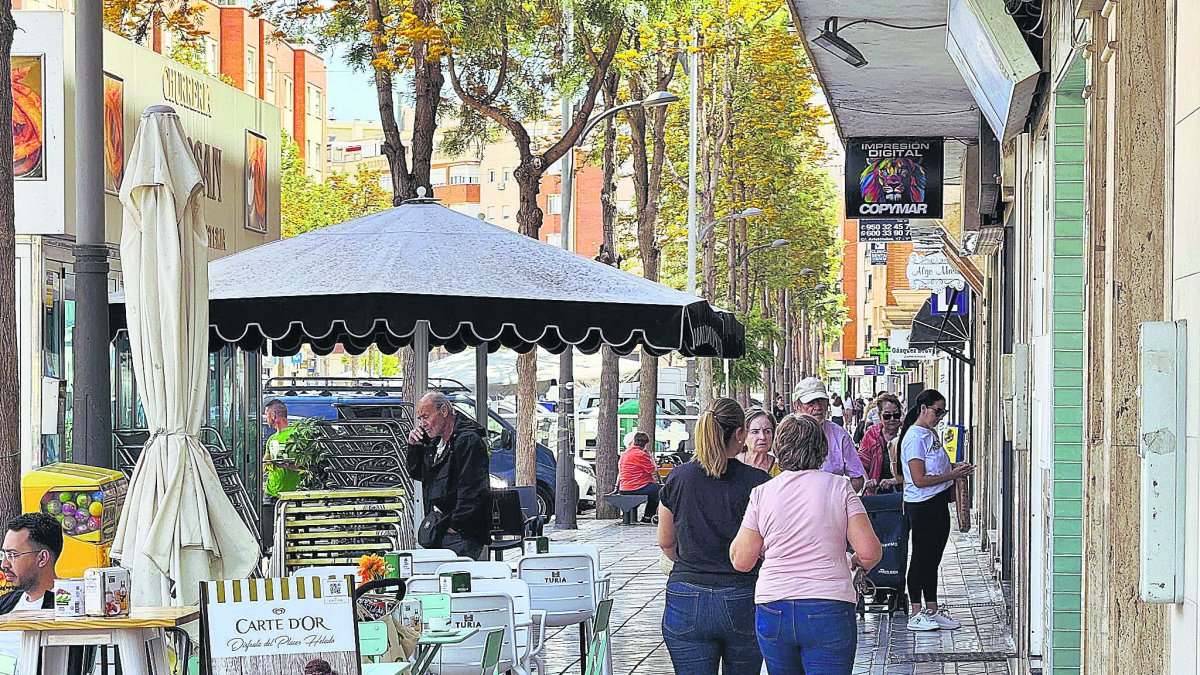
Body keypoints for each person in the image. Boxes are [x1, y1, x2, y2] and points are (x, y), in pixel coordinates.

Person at [730, 415, 882, 673]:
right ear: (822, 449)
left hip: (774, 604)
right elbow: (870, 552)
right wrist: (854, 561)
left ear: (779, 447)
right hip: (829, 603)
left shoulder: (762, 493)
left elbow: (741, 560)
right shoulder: (840, 488)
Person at [658, 398, 770, 674]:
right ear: (740, 434)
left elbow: (665, 540)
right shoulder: (758, 483)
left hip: (686, 593)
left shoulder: (679, 478)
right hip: (742, 594)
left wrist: (686, 557)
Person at [899, 389, 975, 632]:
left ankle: (932, 607)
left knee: (933, 558)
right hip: (922, 504)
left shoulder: (930, 434)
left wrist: (954, 468)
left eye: (943, 412)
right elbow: (919, 478)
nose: (940, 416)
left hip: (938, 501)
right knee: (921, 557)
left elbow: (937, 466)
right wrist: (951, 475)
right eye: (937, 411)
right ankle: (916, 610)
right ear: (924, 408)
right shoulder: (914, 438)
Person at [406, 391, 491, 560]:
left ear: (444, 411)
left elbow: (472, 490)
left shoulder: (467, 440)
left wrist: (454, 525)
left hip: (460, 531)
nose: (423, 424)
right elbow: (418, 473)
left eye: (426, 417)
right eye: (420, 419)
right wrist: (414, 447)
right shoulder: (435, 441)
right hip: (440, 526)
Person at [0, 514, 61, 665]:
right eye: (4, 554)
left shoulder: (68, 608)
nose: (4, 564)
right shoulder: (6, 603)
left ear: (42, 558)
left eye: (13, 555)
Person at [793, 377, 866, 492]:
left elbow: (857, 477)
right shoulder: (788, 435)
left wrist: (840, 500)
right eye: (811, 403)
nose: (818, 407)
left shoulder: (839, 435)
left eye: (821, 401)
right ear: (797, 406)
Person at [858, 393, 904, 496]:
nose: (892, 419)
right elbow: (861, 464)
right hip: (876, 494)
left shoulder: (907, 434)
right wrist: (867, 480)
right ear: (880, 416)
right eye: (887, 416)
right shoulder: (871, 435)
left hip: (906, 494)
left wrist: (895, 480)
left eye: (896, 415)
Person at [618, 432, 661, 524]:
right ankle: (648, 517)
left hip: (624, 487)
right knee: (660, 491)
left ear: (634, 441)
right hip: (636, 487)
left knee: (653, 489)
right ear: (646, 443)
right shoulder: (641, 454)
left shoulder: (625, 454)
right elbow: (652, 470)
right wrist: (651, 458)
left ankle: (646, 516)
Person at [263, 399, 302, 498]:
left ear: (273, 415)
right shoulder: (272, 439)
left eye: (266, 415)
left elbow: (306, 466)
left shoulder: (296, 435)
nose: (266, 418)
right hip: (272, 492)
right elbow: (265, 464)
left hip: (293, 493)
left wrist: (284, 465)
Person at [737, 407, 778, 474]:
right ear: (743, 435)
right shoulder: (733, 464)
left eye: (767, 431)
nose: (762, 437)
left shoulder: (780, 467)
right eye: (755, 432)